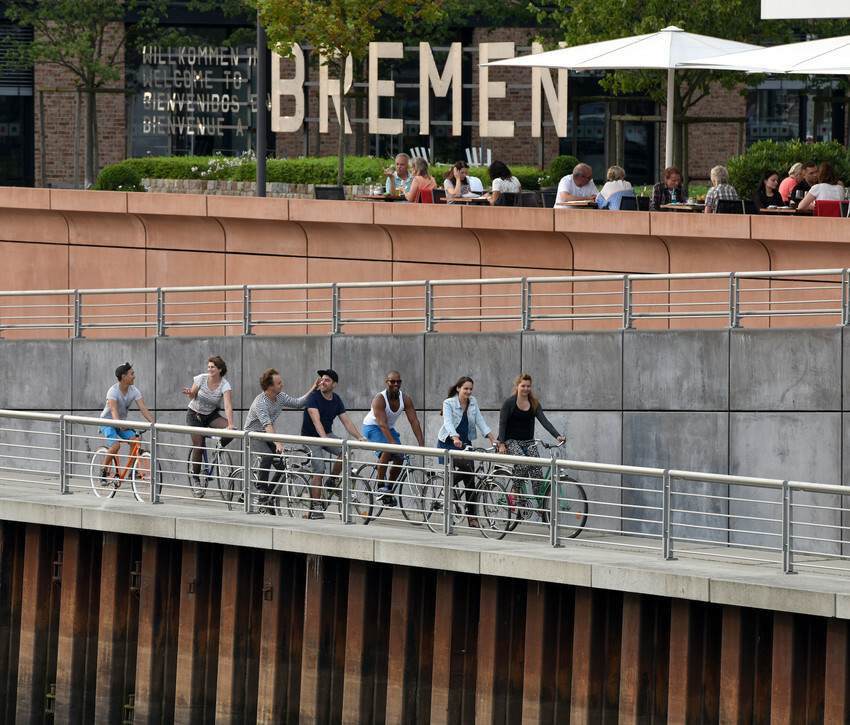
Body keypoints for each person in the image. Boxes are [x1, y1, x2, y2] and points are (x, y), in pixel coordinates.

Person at [301, 369, 366, 519]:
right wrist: (323, 437)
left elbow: (347, 422)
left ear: (334, 384)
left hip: (327, 435)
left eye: (327, 380)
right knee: (319, 469)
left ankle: (332, 480)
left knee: (347, 451)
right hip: (310, 438)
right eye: (322, 380)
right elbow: (315, 419)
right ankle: (316, 506)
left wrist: (359, 437)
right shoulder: (313, 397)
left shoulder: (336, 400)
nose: (322, 382)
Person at [436, 376, 499, 528]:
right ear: (458, 388)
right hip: (449, 442)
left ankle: (472, 518)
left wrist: (492, 438)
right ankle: (447, 486)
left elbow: (480, 420)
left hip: (465, 442)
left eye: (470, 389)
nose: (468, 392)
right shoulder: (448, 403)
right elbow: (448, 422)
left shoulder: (473, 402)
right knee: (467, 470)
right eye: (466, 388)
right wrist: (455, 437)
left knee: (470, 482)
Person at [244, 368, 318, 497]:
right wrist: (278, 443)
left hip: (267, 435)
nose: (282, 384)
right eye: (279, 383)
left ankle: (269, 494)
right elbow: (267, 425)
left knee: (282, 467)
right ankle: (261, 490)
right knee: (267, 456)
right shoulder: (260, 403)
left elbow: (298, 403)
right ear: (270, 386)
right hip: (253, 435)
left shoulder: (280, 397)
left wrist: (314, 388)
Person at [361, 370, 425, 499]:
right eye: (392, 381)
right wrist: (394, 444)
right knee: (388, 449)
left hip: (388, 428)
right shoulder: (379, 399)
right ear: (387, 382)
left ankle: (388, 490)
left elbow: (414, 421)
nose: (396, 384)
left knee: (399, 456)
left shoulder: (405, 399)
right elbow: (382, 424)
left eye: (398, 381)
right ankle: (380, 486)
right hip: (372, 427)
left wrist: (421, 444)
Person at [497, 373, 564, 495]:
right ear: (517, 385)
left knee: (537, 470)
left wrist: (557, 435)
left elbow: (544, 421)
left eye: (528, 386)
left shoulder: (534, 403)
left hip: (528, 442)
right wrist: (501, 444)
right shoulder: (509, 403)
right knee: (523, 463)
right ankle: (514, 491)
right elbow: (502, 423)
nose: (526, 389)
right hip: (510, 441)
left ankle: (540, 504)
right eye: (523, 386)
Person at [183, 355, 236, 489]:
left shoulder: (225, 385)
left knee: (232, 432)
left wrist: (230, 424)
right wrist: (190, 393)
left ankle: (218, 448)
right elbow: (193, 395)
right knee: (199, 444)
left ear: (220, 369)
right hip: (195, 414)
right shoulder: (201, 378)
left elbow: (228, 405)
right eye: (209, 367)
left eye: (212, 367)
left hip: (211, 414)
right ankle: (196, 480)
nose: (209, 369)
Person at [98, 362, 155, 483]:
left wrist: (153, 423)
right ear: (124, 377)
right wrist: (120, 424)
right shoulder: (112, 391)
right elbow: (113, 410)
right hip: (107, 422)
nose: (134, 376)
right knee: (116, 446)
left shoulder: (134, 390)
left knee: (134, 441)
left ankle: (130, 472)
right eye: (132, 374)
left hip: (120, 422)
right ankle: (103, 472)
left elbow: (143, 407)